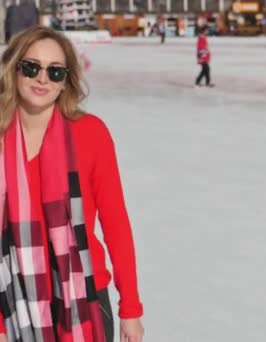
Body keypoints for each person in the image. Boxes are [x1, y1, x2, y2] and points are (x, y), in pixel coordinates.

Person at [0, 27, 144, 341]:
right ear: (14, 68)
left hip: (85, 298)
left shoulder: (90, 134)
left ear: (66, 80)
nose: (42, 79)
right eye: (31, 67)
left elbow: (115, 222)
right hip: (12, 302)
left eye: (55, 72)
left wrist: (130, 308)